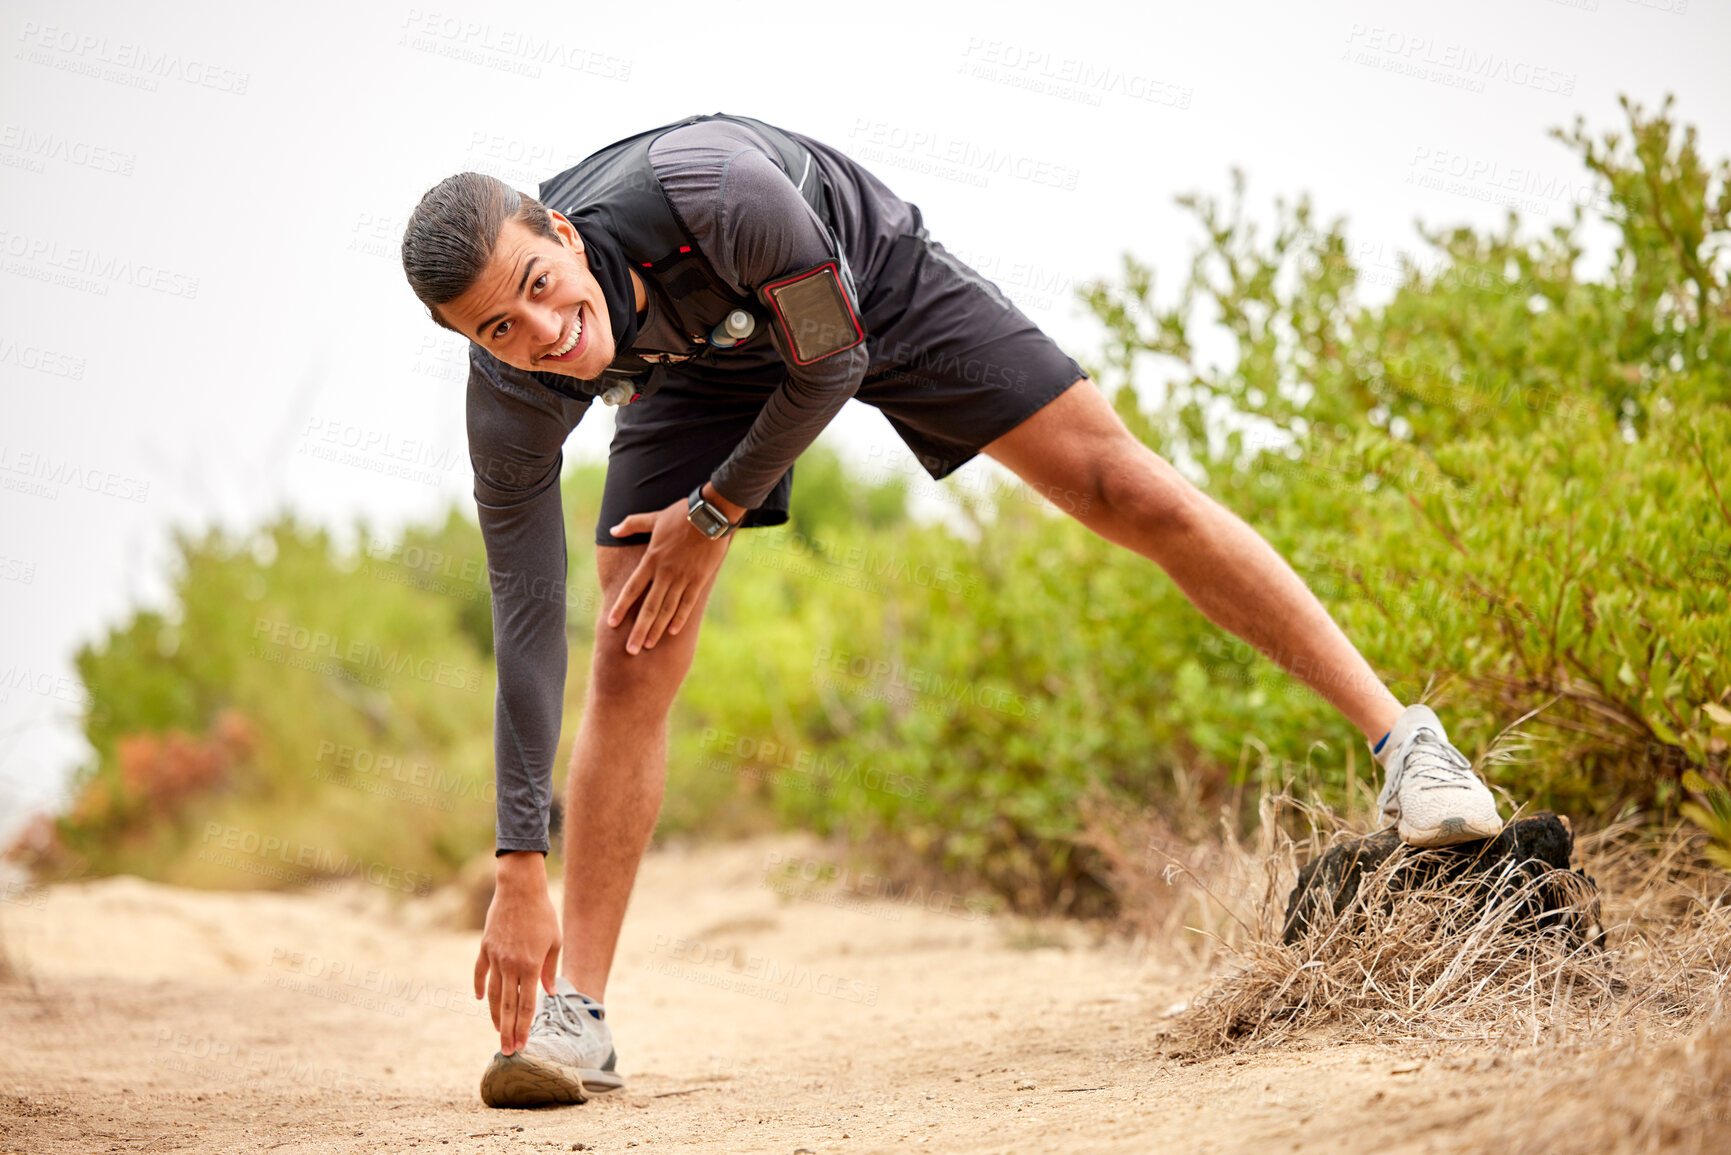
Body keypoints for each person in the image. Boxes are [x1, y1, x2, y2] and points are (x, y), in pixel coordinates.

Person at [399, 112, 1503, 1109]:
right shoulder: (513, 393)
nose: (540, 332)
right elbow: (527, 612)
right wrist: (515, 868)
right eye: (497, 328)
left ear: (561, 229)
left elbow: (832, 358)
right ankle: (577, 1016)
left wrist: (716, 509)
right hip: (696, 376)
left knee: (1119, 485)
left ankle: (1412, 746)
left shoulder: (715, 190)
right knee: (628, 648)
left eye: (540, 284)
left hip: (853, 286)